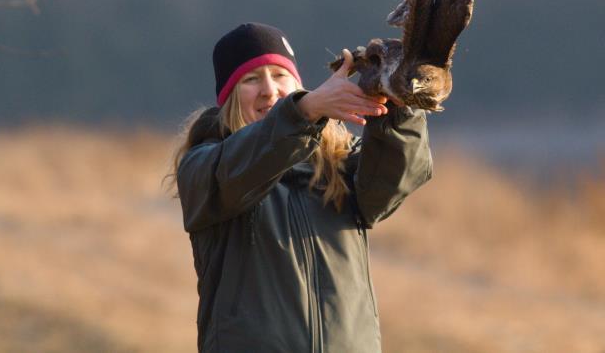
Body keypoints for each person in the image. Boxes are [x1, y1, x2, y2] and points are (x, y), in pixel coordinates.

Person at [170, 22, 433, 352]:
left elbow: (394, 181)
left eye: (280, 75)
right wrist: (303, 111)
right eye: (251, 79)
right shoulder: (205, 166)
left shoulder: (339, 165)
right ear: (229, 97)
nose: (270, 90)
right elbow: (245, 165)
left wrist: (396, 102)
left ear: (296, 82)